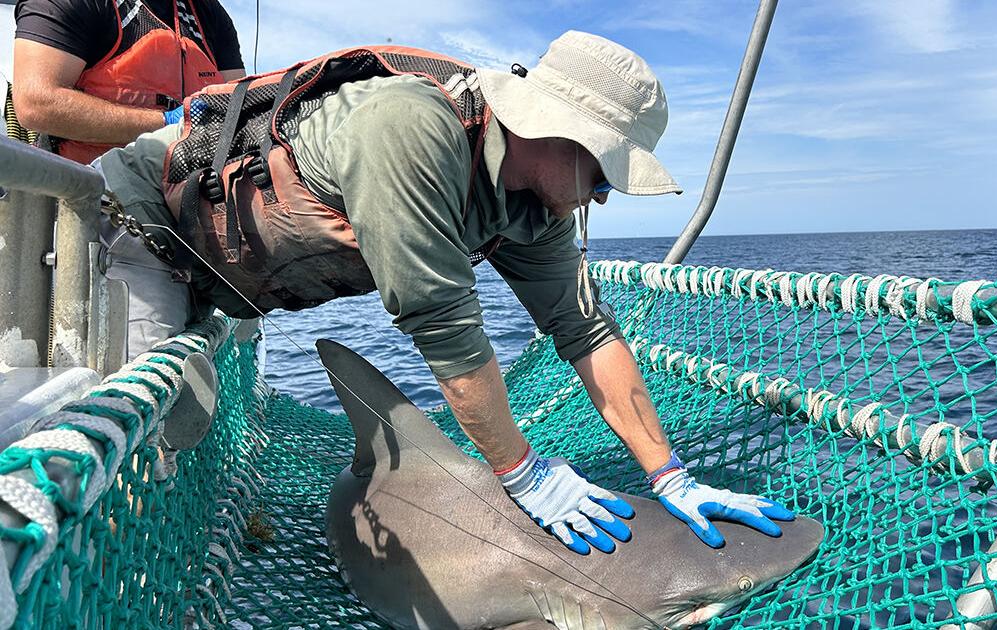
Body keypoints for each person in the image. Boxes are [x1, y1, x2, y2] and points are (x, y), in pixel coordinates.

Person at [93, 31, 795, 553]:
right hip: (140, 231)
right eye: (606, 173)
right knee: (136, 460)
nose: (605, 197)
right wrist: (523, 473)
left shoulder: (537, 205)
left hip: (228, 281)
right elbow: (445, 329)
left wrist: (669, 475)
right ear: (556, 131)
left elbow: (587, 331)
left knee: (180, 432)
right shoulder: (411, 130)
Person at [11, 0, 245, 164]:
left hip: (189, 194)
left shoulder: (210, 15)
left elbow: (239, 105)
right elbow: (36, 104)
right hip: (84, 198)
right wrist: (169, 123)